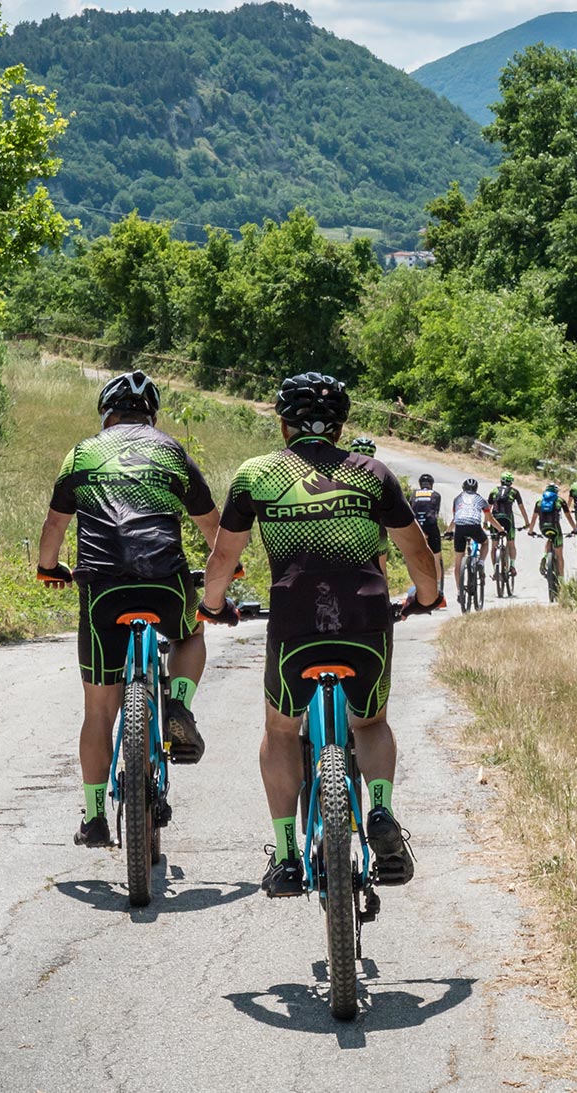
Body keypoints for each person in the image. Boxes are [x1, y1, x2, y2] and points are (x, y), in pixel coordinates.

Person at [199, 372, 444, 897]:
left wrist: (212, 605)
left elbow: (224, 555)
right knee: (371, 721)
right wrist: (426, 597)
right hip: (366, 619)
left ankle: (286, 856)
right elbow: (415, 550)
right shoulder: (372, 473)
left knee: (283, 730)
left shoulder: (256, 474)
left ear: (284, 425)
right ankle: (379, 808)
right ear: (339, 428)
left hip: (294, 623)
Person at [35, 371, 222, 849]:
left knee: (98, 710)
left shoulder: (81, 453)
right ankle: (177, 701)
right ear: (151, 416)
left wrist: (49, 568)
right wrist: (228, 573)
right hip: (165, 580)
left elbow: (56, 522)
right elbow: (212, 526)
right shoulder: (171, 451)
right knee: (191, 634)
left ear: (106, 414)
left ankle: (95, 816)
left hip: (102, 587)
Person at [487, 471, 529, 587]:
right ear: (511, 482)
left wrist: (485, 523)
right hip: (508, 520)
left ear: (501, 480)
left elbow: (487, 508)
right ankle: (512, 566)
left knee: (494, 546)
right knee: (511, 543)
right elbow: (522, 508)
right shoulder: (515, 492)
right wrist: (527, 523)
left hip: (495, 520)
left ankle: (495, 570)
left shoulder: (494, 491)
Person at [450, 477, 496, 575]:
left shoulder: (457, 499)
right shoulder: (481, 499)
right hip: (474, 526)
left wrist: (448, 531)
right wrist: (500, 529)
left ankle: (459, 590)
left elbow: (455, 518)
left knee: (458, 561)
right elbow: (490, 518)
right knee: (485, 543)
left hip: (460, 527)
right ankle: (481, 562)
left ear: (463, 488)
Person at [410, 472, 444, 587]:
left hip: (417, 526)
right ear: (431, 484)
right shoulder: (436, 495)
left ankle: (416, 585)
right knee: (436, 556)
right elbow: (436, 512)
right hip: (430, 525)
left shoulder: (413, 494)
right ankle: (438, 587)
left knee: (415, 556)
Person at [529, 481, 569, 574]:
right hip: (555, 527)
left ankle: (545, 556)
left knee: (549, 538)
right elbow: (568, 517)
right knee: (559, 555)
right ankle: (561, 579)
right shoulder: (560, 501)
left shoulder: (539, 501)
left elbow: (534, 518)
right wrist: (575, 529)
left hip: (543, 527)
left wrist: (530, 531)